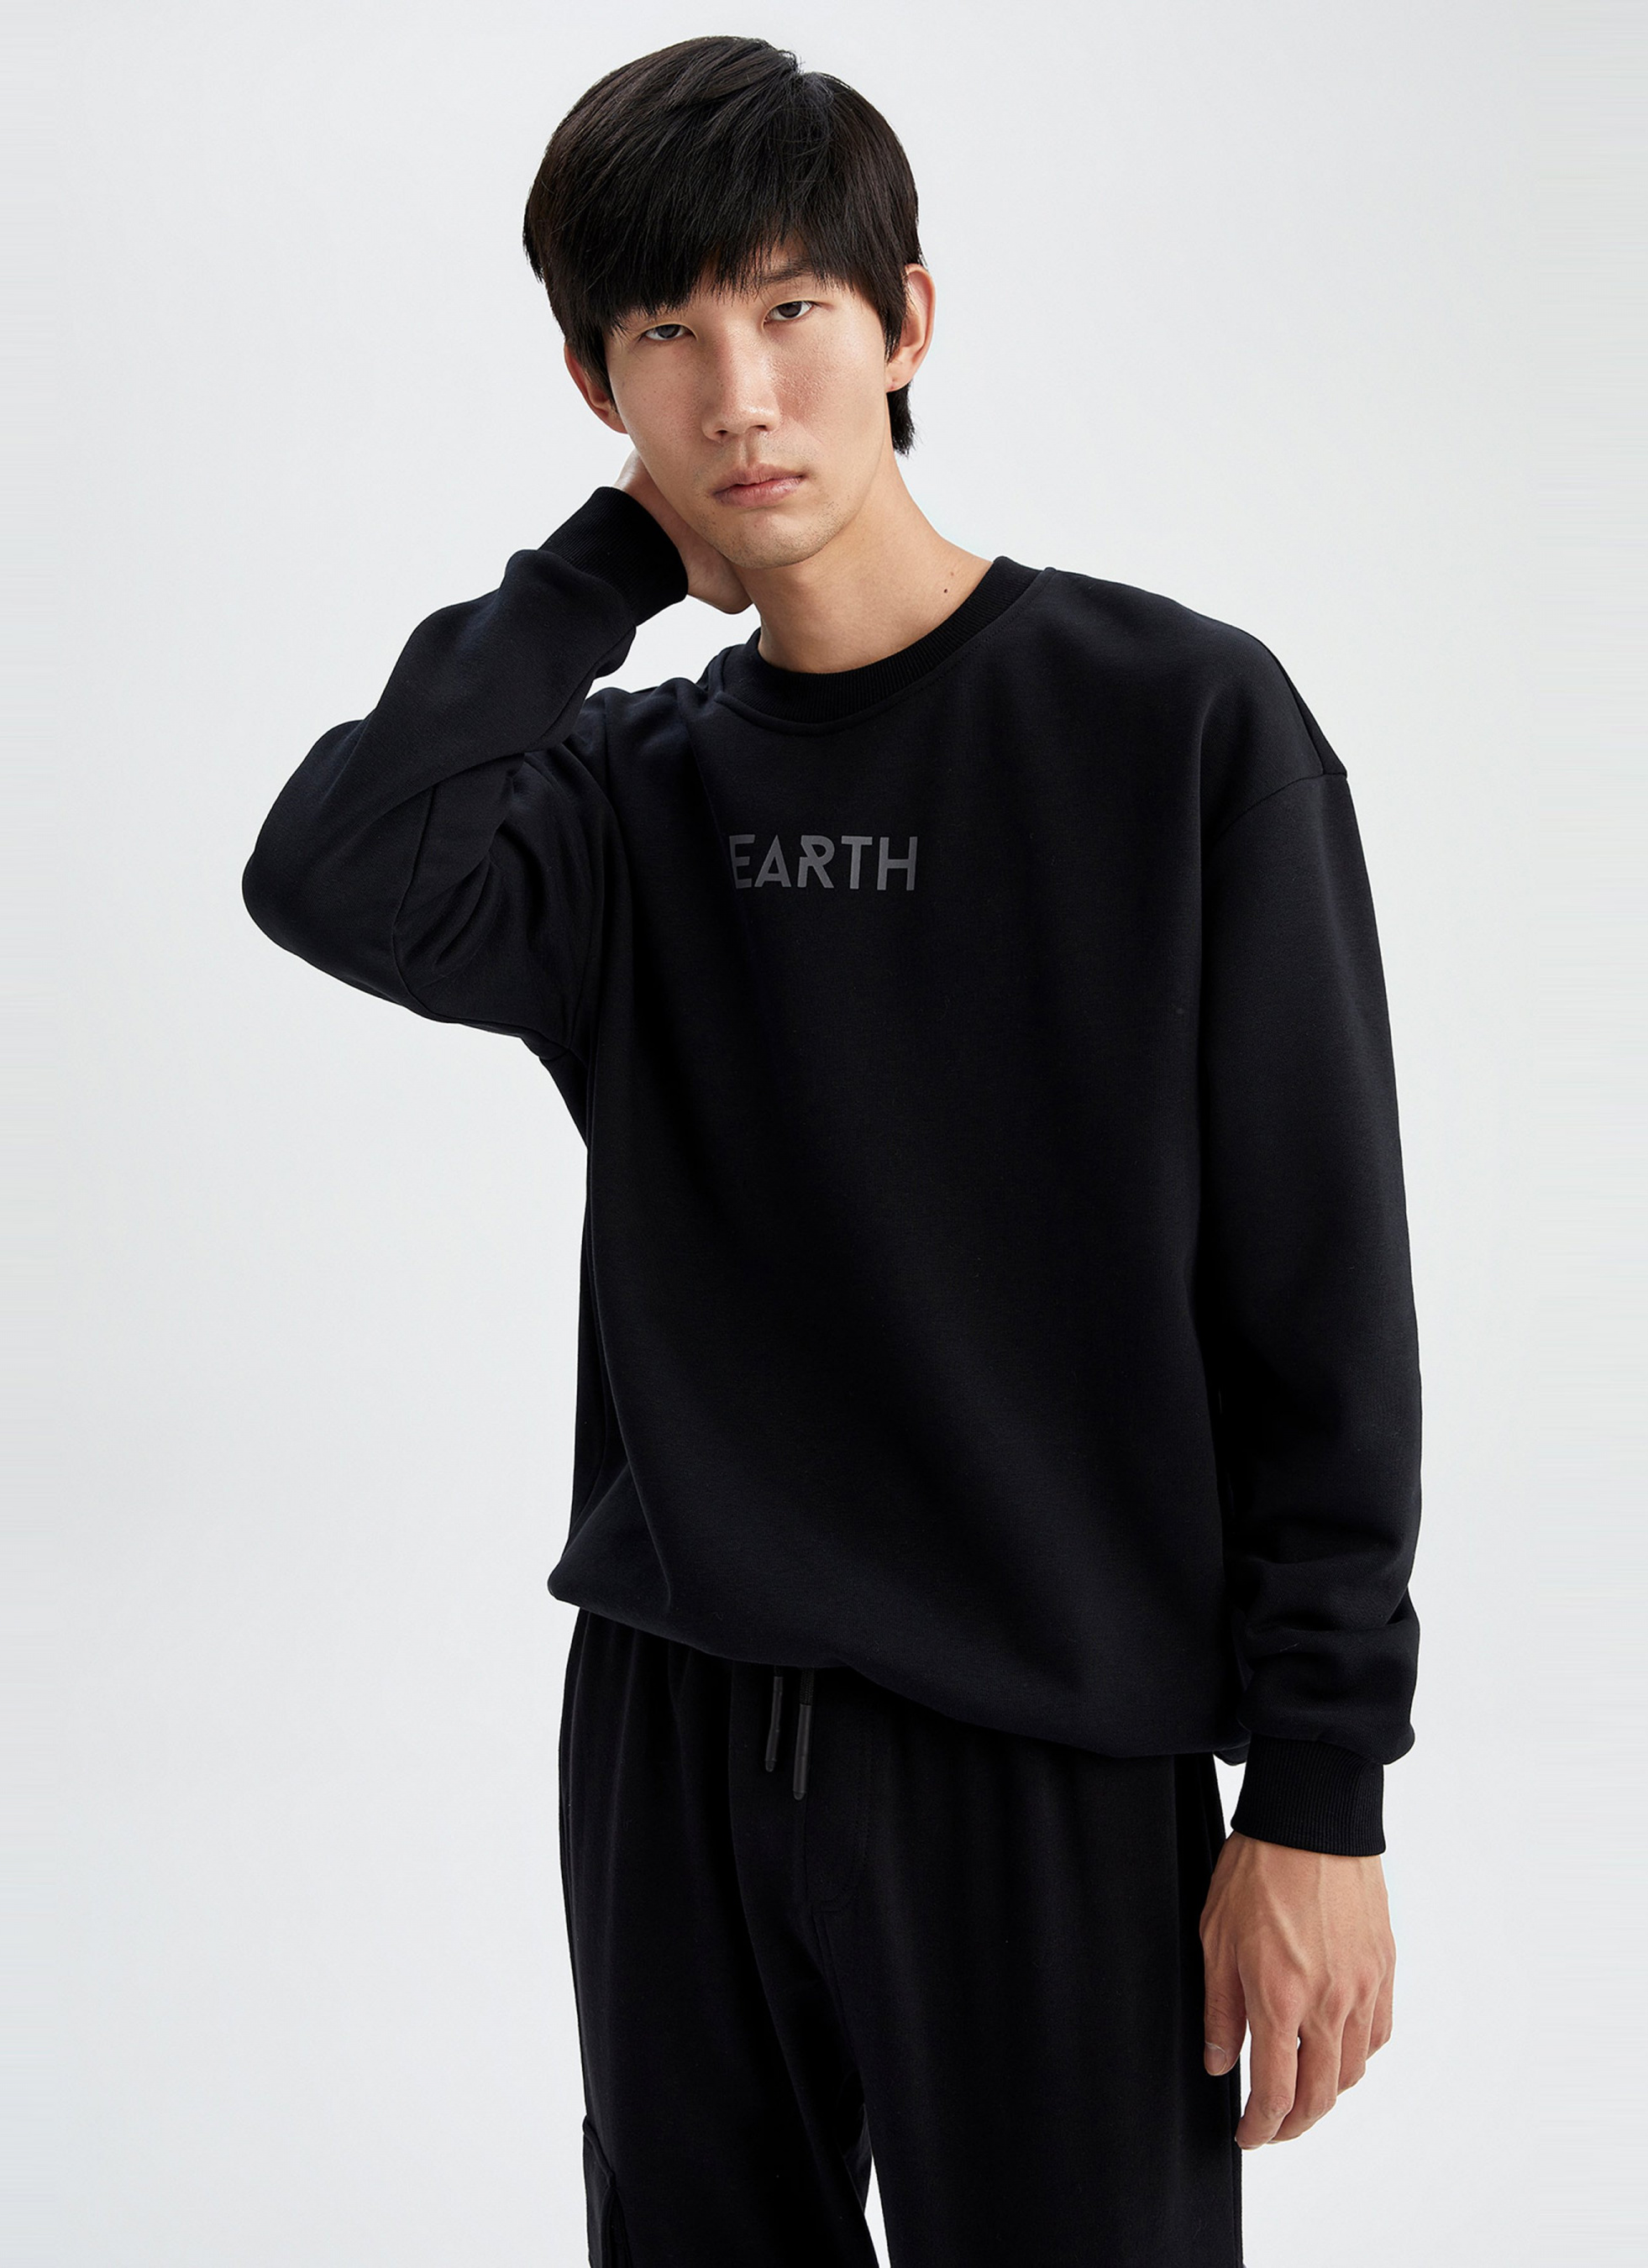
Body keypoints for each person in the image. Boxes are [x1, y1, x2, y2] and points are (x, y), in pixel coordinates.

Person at [242, 34, 1420, 2268]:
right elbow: (331, 872)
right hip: (677, 1732)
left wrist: (1321, 1792)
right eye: (665, 336)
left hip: (1048, 1751)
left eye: (790, 307)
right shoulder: (621, 799)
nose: (740, 396)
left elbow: (1319, 1293)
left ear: (906, 322)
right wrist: (605, 569)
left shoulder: (1171, 724)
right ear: (596, 385)